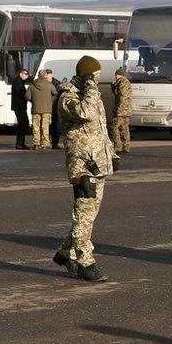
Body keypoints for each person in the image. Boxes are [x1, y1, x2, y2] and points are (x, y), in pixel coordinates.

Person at [52, 55, 117, 282]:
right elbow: (86, 114)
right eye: (94, 77)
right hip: (82, 166)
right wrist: (90, 86)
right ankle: (85, 263)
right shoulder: (68, 98)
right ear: (86, 76)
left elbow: (101, 129)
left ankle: (64, 253)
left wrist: (112, 153)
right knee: (84, 215)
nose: (97, 81)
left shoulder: (93, 97)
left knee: (88, 216)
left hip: (98, 163)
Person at [25, 70, 57, 150]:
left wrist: (33, 101)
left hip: (36, 109)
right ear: (45, 76)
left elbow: (27, 96)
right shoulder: (49, 85)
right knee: (45, 127)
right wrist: (50, 100)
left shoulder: (32, 85)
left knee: (36, 127)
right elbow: (55, 93)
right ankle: (45, 143)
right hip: (46, 109)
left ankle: (36, 143)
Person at [111, 68, 132, 153]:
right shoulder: (126, 82)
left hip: (121, 110)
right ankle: (126, 146)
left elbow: (122, 96)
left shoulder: (121, 83)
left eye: (116, 74)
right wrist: (113, 85)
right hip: (127, 110)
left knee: (114, 128)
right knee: (124, 128)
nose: (115, 76)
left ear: (120, 75)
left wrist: (119, 110)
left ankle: (117, 146)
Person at [11, 69, 31, 150]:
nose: (27, 76)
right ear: (21, 74)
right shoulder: (18, 82)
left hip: (20, 106)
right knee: (23, 124)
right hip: (19, 106)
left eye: (28, 74)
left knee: (24, 124)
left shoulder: (19, 81)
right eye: (26, 74)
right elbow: (21, 93)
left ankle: (21, 143)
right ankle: (20, 144)